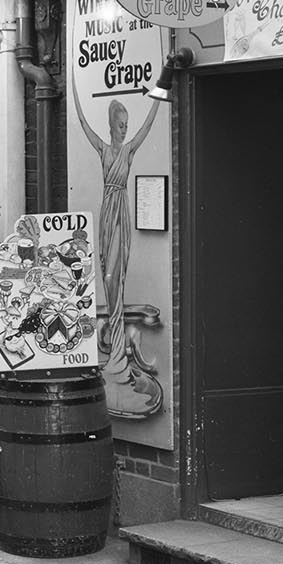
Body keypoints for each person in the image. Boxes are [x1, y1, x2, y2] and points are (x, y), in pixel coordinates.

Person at [71, 82, 163, 420]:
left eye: (126, 125)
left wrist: (157, 98)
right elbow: (83, 124)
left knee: (117, 275)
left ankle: (119, 357)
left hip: (121, 211)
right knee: (107, 273)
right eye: (120, 125)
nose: (124, 129)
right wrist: (76, 95)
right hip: (108, 210)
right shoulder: (104, 149)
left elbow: (148, 126)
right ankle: (115, 356)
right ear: (111, 126)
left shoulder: (128, 151)